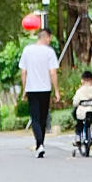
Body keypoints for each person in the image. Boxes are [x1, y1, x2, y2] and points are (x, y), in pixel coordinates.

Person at [19, 28, 60, 158]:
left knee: (35, 118)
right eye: (49, 38)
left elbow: (23, 72)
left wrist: (24, 89)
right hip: (45, 89)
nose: (50, 41)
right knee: (43, 117)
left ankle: (39, 144)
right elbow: (52, 72)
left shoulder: (27, 50)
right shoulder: (49, 52)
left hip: (32, 89)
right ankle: (40, 144)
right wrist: (56, 90)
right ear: (45, 37)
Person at [72, 70, 92, 145]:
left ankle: (78, 135)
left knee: (79, 122)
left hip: (82, 111)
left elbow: (75, 102)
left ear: (82, 80)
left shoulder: (80, 91)